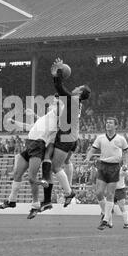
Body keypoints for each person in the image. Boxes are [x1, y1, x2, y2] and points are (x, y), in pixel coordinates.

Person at [0, 96, 62, 219]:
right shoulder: (46, 118)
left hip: (38, 146)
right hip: (30, 144)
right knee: (17, 174)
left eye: (53, 103)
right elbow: (29, 127)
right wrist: (14, 122)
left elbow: (60, 108)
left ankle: (35, 206)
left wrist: (58, 98)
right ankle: (12, 200)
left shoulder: (56, 116)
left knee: (32, 178)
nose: (50, 105)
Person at [41, 58, 91, 209]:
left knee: (55, 167)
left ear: (80, 92)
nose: (75, 87)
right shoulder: (75, 101)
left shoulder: (73, 100)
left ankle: (68, 193)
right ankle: (65, 191)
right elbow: (61, 91)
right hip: (72, 137)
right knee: (61, 162)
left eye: (78, 87)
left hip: (67, 136)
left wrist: (58, 73)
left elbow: (59, 87)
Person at [84, 117, 128, 230]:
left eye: (110, 123)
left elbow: (127, 151)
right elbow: (93, 149)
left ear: (116, 126)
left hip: (114, 167)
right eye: (107, 122)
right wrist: (88, 157)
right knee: (99, 192)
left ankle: (105, 220)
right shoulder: (100, 138)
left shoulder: (121, 139)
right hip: (103, 165)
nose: (108, 124)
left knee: (110, 194)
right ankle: (107, 215)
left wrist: (126, 163)